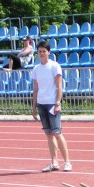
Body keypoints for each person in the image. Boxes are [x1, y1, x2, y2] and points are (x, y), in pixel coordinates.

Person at [31, 40, 72, 172]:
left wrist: (58, 103)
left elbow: (59, 86)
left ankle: (67, 162)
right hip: (41, 103)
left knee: (57, 133)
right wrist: (34, 107)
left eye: (44, 51)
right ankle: (54, 161)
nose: (42, 53)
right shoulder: (36, 69)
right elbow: (35, 89)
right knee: (48, 134)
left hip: (52, 103)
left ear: (48, 52)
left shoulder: (55, 66)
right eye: (40, 51)